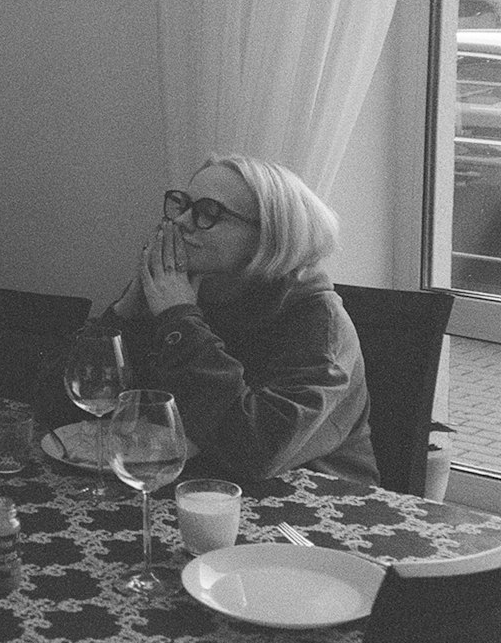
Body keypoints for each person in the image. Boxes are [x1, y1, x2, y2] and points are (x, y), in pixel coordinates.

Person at [109, 154, 378, 484]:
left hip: (312, 508)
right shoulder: (181, 287)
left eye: (208, 213)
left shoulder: (319, 321)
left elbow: (253, 450)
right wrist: (126, 311)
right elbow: (66, 408)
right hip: (193, 489)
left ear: (268, 236)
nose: (180, 222)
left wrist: (180, 321)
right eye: (182, 206)